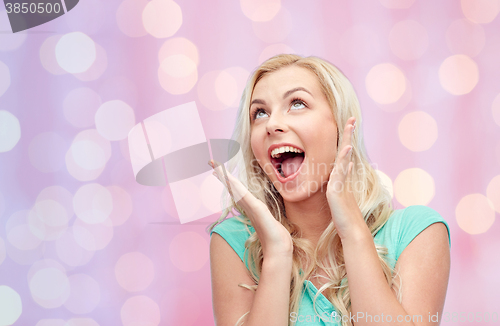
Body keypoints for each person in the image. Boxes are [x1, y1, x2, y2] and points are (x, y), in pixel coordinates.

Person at [207, 54, 451, 326]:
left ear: (340, 124)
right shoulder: (234, 241)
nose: (271, 124)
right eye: (260, 113)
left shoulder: (417, 232)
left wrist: (351, 229)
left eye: (297, 104)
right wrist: (276, 254)